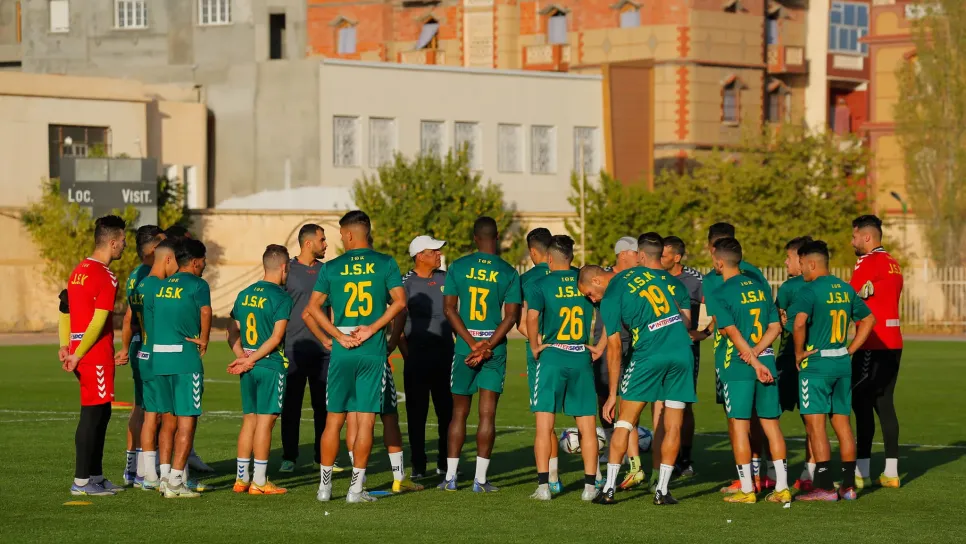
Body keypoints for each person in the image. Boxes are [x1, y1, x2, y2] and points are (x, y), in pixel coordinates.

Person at [580, 233, 696, 506]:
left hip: (649, 354)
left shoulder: (611, 296)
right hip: (682, 351)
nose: (592, 300)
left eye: (589, 294)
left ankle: (609, 489)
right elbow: (681, 316)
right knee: (673, 425)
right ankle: (662, 491)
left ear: (596, 281)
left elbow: (614, 349)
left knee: (624, 421)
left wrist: (612, 394)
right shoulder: (649, 274)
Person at [306, 210, 407, 504]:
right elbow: (400, 302)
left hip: (343, 350)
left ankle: (324, 488)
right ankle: (355, 490)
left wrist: (337, 336)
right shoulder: (385, 262)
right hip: (371, 349)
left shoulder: (332, 266)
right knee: (365, 421)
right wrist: (374, 328)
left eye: (340, 234)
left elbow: (312, 308)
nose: (340, 239)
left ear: (349, 234)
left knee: (333, 421)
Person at [787, 240, 876, 502]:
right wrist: (850, 350)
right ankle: (848, 487)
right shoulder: (845, 288)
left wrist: (798, 353)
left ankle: (825, 487)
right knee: (843, 424)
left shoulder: (809, 290)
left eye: (802, 263)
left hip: (816, 365)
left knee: (816, 427)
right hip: (841, 363)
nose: (801, 269)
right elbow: (868, 319)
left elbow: (799, 323)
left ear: (812, 263)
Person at [439, 216, 522, 493]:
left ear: (475, 238)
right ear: (496, 237)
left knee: (458, 413)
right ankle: (480, 480)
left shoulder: (458, 266)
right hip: (494, 348)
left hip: (465, 347)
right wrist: (486, 346)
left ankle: (451, 478)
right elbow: (511, 317)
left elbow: (449, 309)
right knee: (487, 414)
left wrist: (472, 343)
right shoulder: (509, 271)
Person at [706, 237, 791, 504]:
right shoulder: (760, 288)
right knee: (772, 426)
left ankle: (747, 490)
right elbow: (775, 327)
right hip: (767, 362)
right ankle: (783, 488)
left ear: (719, 262)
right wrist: (759, 354)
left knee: (740, 426)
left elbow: (730, 332)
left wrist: (752, 359)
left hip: (738, 366)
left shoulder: (720, 292)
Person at [525, 235, 603, 501]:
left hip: (553, 357)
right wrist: (601, 345)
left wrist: (535, 345)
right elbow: (611, 312)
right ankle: (590, 487)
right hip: (581, 356)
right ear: (571, 256)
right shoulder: (584, 279)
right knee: (587, 426)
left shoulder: (540, 283)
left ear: (549, 258)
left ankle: (544, 487)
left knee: (544, 425)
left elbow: (532, 317)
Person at [700, 222, 773, 493]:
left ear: (713, 249)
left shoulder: (713, 278)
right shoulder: (753, 272)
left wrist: (704, 333)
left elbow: (722, 321)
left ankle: (745, 480)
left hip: (731, 354)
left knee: (736, 417)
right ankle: (762, 472)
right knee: (761, 415)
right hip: (763, 349)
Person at [60, 215, 128, 496]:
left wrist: (65, 345)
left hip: (82, 352)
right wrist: (78, 354)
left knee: (102, 412)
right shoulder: (105, 276)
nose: (124, 246)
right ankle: (81, 482)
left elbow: (64, 308)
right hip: (93, 354)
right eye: (123, 241)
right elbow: (99, 321)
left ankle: (96, 476)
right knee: (92, 415)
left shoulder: (79, 270)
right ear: (112, 243)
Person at [227, 244, 293, 495]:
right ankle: (260, 481)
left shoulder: (244, 294)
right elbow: (276, 337)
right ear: (284, 267)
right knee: (266, 422)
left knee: (249, 421)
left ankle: (241, 479)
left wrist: (243, 358)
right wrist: (252, 358)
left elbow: (231, 330)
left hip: (249, 365)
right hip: (270, 365)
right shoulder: (282, 297)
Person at [389, 234, 454, 479]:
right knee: (417, 415)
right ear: (419, 256)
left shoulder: (446, 279)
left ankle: (445, 463)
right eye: (433, 251)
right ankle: (418, 465)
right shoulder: (404, 283)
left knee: (447, 413)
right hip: (416, 358)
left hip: (445, 357)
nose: (439, 254)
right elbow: (397, 323)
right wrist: (408, 354)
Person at [152, 238, 212, 498]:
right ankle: (177, 482)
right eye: (204, 260)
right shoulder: (198, 284)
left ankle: (165, 478)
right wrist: (205, 338)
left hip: (160, 358)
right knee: (187, 421)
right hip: (184, 359)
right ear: (196, 261)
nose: (205, 265)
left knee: (168, 421)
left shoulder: (162, 285)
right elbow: (206, 312)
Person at [849, 214, 904, 488]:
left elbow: (848, 297)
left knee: (861, 401)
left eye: (854, 236)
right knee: (885, 402)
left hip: (873, 342)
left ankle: (862, 472)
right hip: (894, 342)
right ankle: (891, 472)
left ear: (867, 236)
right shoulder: (893, 263)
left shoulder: (868, 262)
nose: (852, 242)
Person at [278, 224, 336, 473]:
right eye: (322, 240)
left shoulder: (327, 270)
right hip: (294, 348)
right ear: (308, 243)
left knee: (324, 407)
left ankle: (322, 458)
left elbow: (331, 309)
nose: (326, 244)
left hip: (324, 350)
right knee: (291, 406)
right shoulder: (288, 270)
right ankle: (289, 457)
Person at [516, 227, 563, 493]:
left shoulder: (527, 279)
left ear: (533, 251)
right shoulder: (572, 273)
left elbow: (522, 322)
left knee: (545, 419)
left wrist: (541, 341)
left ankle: (551, 479)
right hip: (575, 350)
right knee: (584, 417)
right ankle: (596, 477)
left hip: (542, 353)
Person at [117, 225, 164, 487]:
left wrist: (125, 348)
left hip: (136, 344)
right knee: (155, 410)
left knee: (140, 406)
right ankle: (150, 470)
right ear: (155, 249)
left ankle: (132, 468)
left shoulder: (135, 275)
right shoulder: (151, 276)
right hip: (150, 344)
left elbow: (127, 317)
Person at [590, 237, 637, 489]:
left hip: (633, 344)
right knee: (604, 398)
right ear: (624, 254)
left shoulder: (636, 279)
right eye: (636, 252)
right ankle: (611, 445)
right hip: (608, 343)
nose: (640, 256)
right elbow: (608, 316)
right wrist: (600, 345)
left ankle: (632, 458)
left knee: (628, 401)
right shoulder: (606, 279)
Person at [133, 239, 179, 492]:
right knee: (170, 416)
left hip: (143, 353)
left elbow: (131, 320)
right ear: (168, 260)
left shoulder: (140, 285)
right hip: (159, 355)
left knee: (150, 414)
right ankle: (170, 474)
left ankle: (149, 474)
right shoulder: (160, 288)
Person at [660, 235, 704, 477]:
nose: (659, 258)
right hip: (657, 349)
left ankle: (684, 458)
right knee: (659, 403)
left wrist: (704, 333)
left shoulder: (695, 280)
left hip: (686, 351)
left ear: (676, 257)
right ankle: (663, 457)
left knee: (683, 405)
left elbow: (718, 307)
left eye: (664, 255)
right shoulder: (654, 277)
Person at [775, 235, 816, 490]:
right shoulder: (823, 285)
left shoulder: (789, 287)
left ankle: (771, 473)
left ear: (801, 260)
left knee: (769, 414)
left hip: (790, 357)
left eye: (788, 257)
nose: (785, 262)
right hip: (815, 359)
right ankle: (810, 472)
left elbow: (776, 321)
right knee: (812, 419)